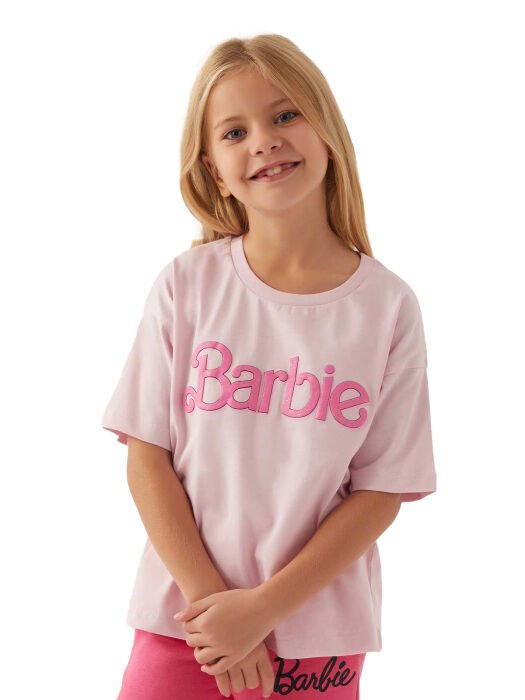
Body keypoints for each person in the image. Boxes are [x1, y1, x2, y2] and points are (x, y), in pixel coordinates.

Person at [101, 33, 437, 700]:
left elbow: (380, 492)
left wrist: (262, 610)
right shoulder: (187, 286)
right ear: (213, 169)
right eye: (235, 131)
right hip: (187, 624)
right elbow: (146, 457)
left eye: (285, 115)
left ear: (327, 128)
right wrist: (215, 610)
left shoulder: (387, 307)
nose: (264, 141)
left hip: (317, 634)